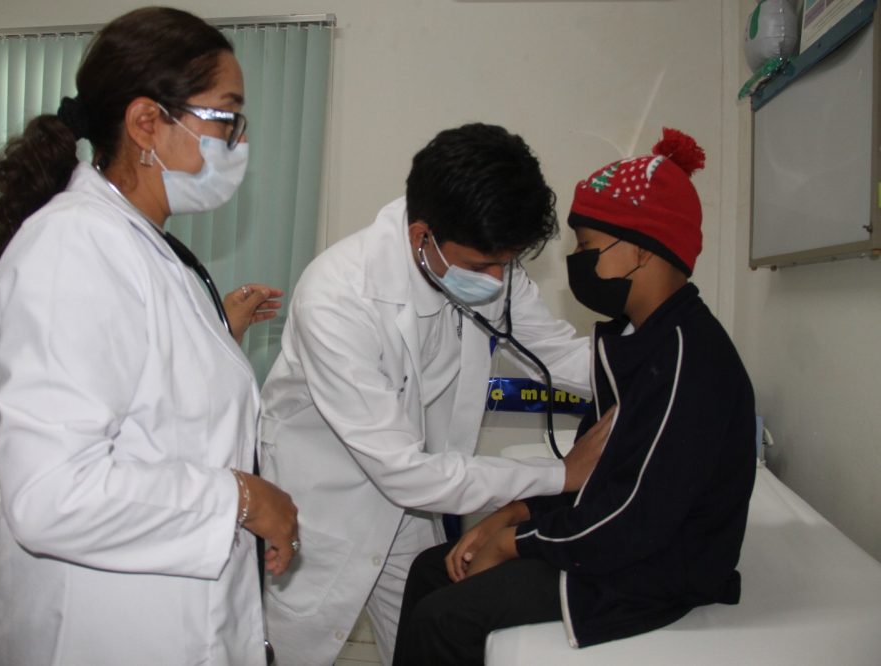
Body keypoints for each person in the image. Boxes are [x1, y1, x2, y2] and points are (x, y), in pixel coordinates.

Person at [0, 8, 297, 665]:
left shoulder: (144, 250)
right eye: (226, 117)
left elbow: (156, 405)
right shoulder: (72, 248)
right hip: (98, 631)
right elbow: (51, 495)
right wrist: (239, 499)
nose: (238, 141)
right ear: (147, 122)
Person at [392, 129, 758, 665]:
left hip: (651, 570)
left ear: (639, 249)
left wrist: (514, 541)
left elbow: (634, 518)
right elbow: (596, 474)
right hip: (614, 542)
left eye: (586, 246)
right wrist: (512, 513)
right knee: (430, 569)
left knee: (444, 619)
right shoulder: (634, 342)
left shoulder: (688, 359)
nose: (577, 261)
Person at [259, 123, 603, 666]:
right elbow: (402, 470)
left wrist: (651, 370)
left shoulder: (485, 262)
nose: (498, 280)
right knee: (290, 653)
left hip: (412, 511)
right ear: (422, 235)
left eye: (507, 263)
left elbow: (558, 353)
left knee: (424, 641)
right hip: (323, 506)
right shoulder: (337, 297)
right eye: (483, 266)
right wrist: (560, 475)